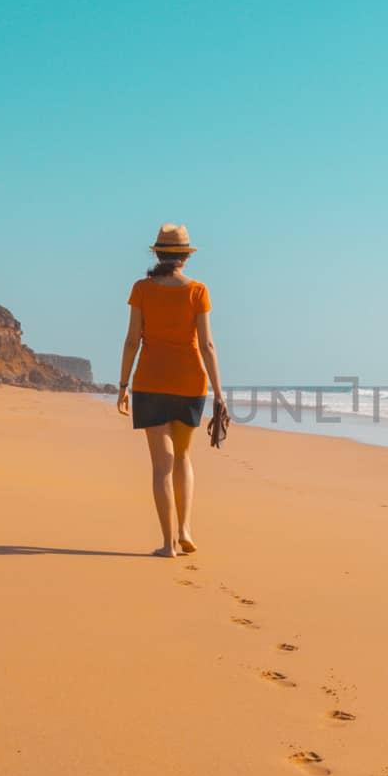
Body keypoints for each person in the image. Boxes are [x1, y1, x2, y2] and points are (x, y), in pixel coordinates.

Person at [117, 224, 224, 556]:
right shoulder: (198, 291)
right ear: (184, 257)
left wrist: (122, 385)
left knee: (161, 465)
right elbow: (206, 344)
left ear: (157, 253)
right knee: (182, 457)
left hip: (150, 382)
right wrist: (219, 393)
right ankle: (185, 529)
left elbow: (132, 340)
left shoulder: (142, 289)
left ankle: (168, 544)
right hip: (190, 382)